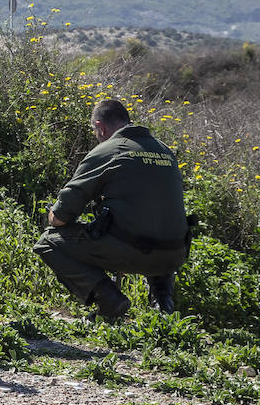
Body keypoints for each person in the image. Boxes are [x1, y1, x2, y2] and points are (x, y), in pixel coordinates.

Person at [34, 99, 190, 319]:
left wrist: (54, 214)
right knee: (156, 229)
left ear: (101, 127)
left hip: (131, 251)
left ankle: (109, 300)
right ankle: (163, 306)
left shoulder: (108, 150)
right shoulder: (165, 151)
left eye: (95, 131)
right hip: (174, 255)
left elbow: (60, 217)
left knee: (48, 241)